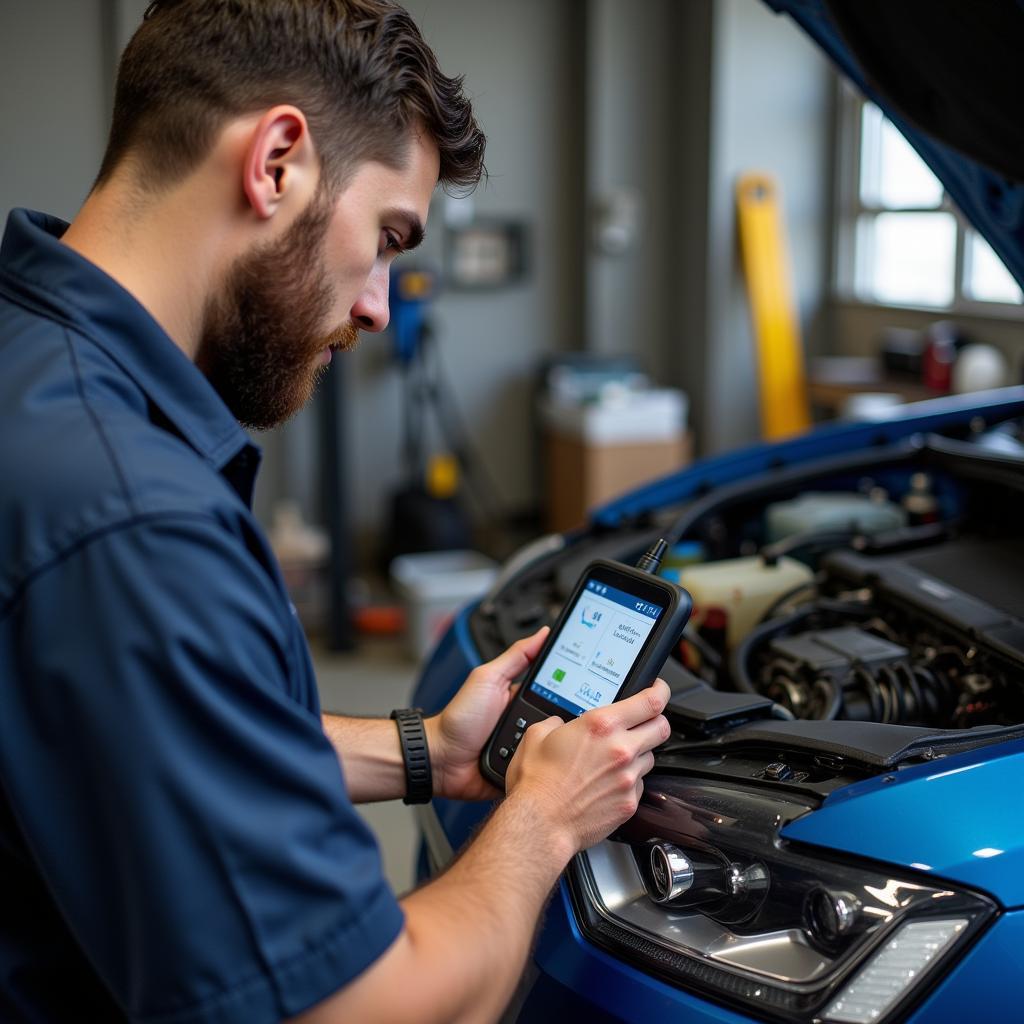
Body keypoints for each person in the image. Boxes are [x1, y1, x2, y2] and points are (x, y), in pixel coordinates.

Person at [0, 2, 671, 1022]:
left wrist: (429, 751)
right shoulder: (134, 520)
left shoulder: (29, 360)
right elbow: (359, 1008)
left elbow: (143, 741)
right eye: (389, 237)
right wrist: (543, 815)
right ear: (275, 163)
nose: (378, 306)